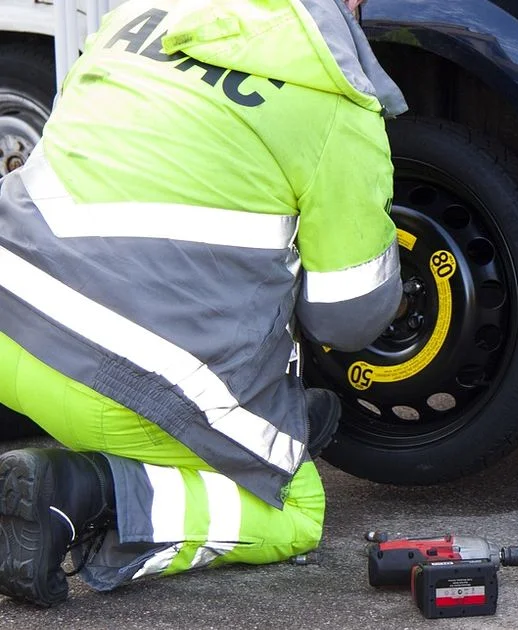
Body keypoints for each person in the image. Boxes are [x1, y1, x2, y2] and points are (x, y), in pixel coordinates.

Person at [0, 0, 407, 607]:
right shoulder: (334, 107)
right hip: (113, 378)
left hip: (11, 320)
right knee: (297, 506)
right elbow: (346, 317)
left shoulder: (139, 13)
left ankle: (259, 422)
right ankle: (80, 492)